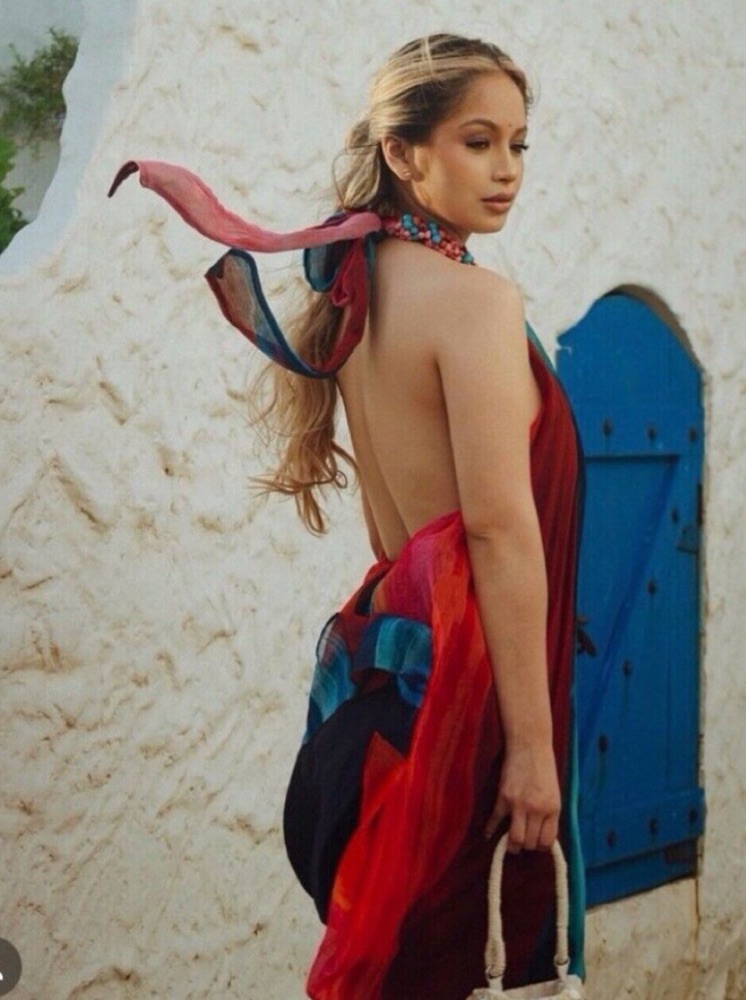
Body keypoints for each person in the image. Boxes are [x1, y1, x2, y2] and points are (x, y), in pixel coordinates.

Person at [110, 32, 584, 1000]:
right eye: (477, 142)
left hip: (398, 677)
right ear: (403, 153)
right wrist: (533, 752)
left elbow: (400, 537)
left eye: (518, 144)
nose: (506, 170)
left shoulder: (360, 297)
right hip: (474, 697)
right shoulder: (475, 304)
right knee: (475, 956)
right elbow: (494, 532)